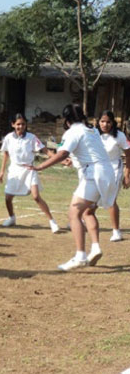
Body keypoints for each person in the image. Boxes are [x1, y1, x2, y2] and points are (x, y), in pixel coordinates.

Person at [31, 104, 117, 271]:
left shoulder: (72, 131)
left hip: (94, 175)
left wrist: (41, 167)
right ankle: (95, 247)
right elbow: (88, 151)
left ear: (67, 120)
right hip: (107, 174)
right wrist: (74, 161)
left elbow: (62, 153)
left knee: (73, 213)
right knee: (87, 212)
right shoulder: (91, 130)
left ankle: (80, 256)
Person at [0, 114, 60, 233]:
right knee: (8, 198)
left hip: (30, 169)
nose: (21, 126)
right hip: (14, 170)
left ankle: (52, 222)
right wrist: (1, 172)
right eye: (18, 124)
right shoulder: (8, 138)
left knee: (36, 196)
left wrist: (59, 159)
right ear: (13, 125)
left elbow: (45, 150)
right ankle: (11, 218)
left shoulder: (31, 137)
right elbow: (6, 154)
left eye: (23, 124)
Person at [95, 110, 130, 241]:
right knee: (93, 196)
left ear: (113, 123)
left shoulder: (119, 136)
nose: (105, 124)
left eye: (108, 122)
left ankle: (116, 231)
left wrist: (127, 175)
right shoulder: (94, 135)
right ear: (98, 122)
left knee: (111, 200)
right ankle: (82, 219)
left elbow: (128, 155)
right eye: (102, 121)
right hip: (98, 168)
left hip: (115, 168)